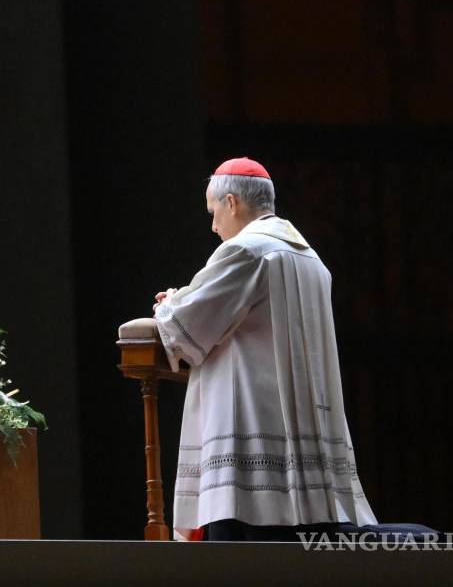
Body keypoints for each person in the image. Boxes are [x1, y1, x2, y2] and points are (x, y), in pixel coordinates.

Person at [153, 157, 377, 542]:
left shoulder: (245, 252)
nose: (213, 226)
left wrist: (168, 303)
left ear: (232, 203)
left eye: (213, 212)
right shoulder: (310, 258)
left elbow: (186, 324)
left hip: (251, 436)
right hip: (306, 445)